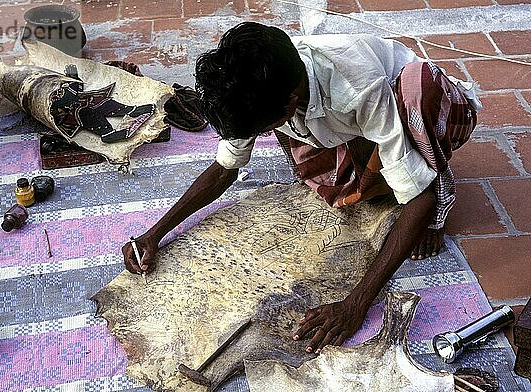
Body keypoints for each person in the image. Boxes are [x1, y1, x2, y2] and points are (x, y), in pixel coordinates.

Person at [122, 22, 481, 354]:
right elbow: (224, 169)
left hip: (426, 104)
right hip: (350, 120)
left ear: (292, 100)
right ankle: (389, 165)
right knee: (347, 194)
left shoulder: (357, 85)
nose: (259, 135)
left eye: (265, 127)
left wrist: (355, 305)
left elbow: (419, 200)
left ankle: (436, 177)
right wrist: (155, 234)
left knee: (419, 97)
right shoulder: (257, 85)